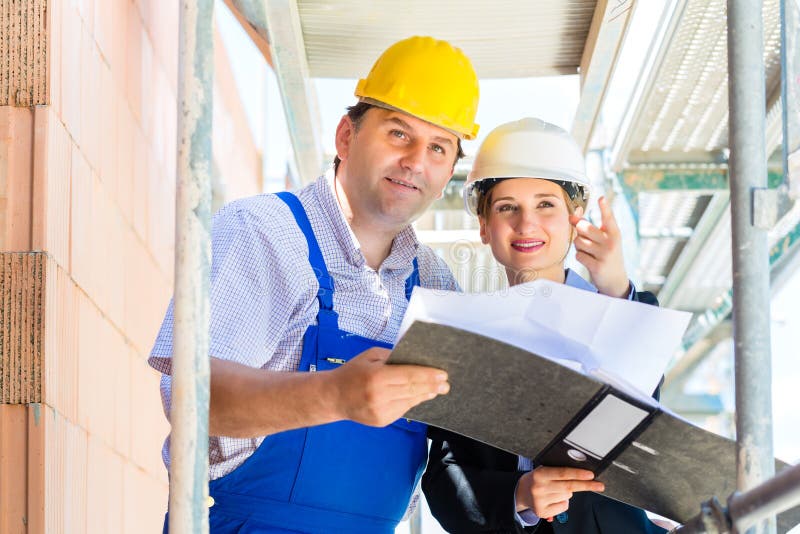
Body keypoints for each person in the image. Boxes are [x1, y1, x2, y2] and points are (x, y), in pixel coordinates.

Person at [148, 36, 480, 533]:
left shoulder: (434, 286)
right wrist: (334, 394)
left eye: (438, 147)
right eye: (398, 133)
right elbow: (194, 397)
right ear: (346, 136)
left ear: (450, 171)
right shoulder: (262, 232)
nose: (416, 160)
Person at [422, 118, 669, 533]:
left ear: (575, 218)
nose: (526, 223)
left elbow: (643, 412)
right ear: (484, 226)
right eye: (506, 208)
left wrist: (616, 291)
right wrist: (520, 496)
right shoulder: (463, 340)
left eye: (546, 204)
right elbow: (445, 477)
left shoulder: (623, 310)